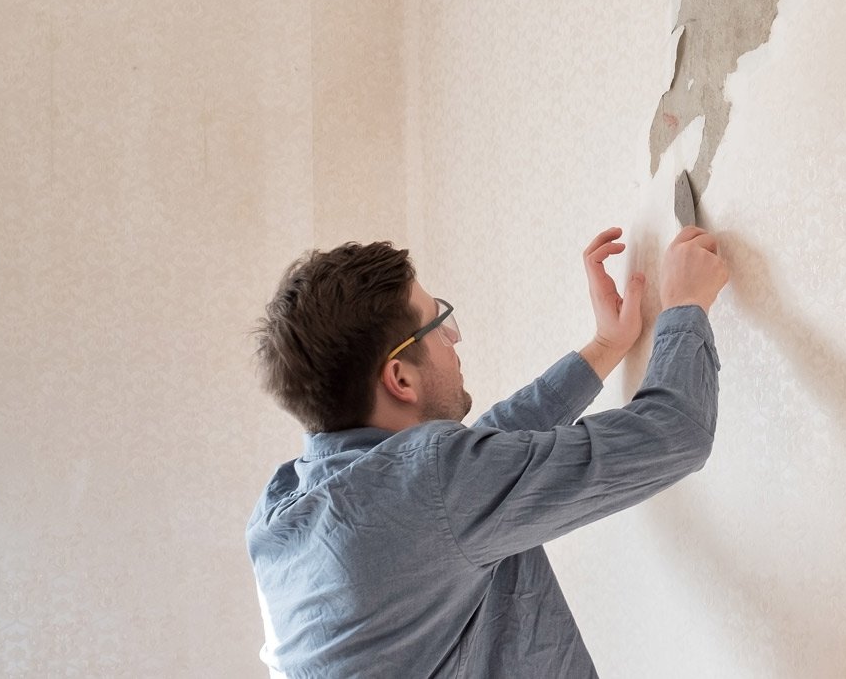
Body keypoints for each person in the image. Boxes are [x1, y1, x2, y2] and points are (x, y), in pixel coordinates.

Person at [248, 225, 729, 677]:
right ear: (400, 378)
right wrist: (685, 306)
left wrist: (606, 345)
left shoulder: (283, 508)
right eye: (438, 322)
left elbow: (472, 465)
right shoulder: (428, 489)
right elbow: (676, 432)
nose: (454, 336)